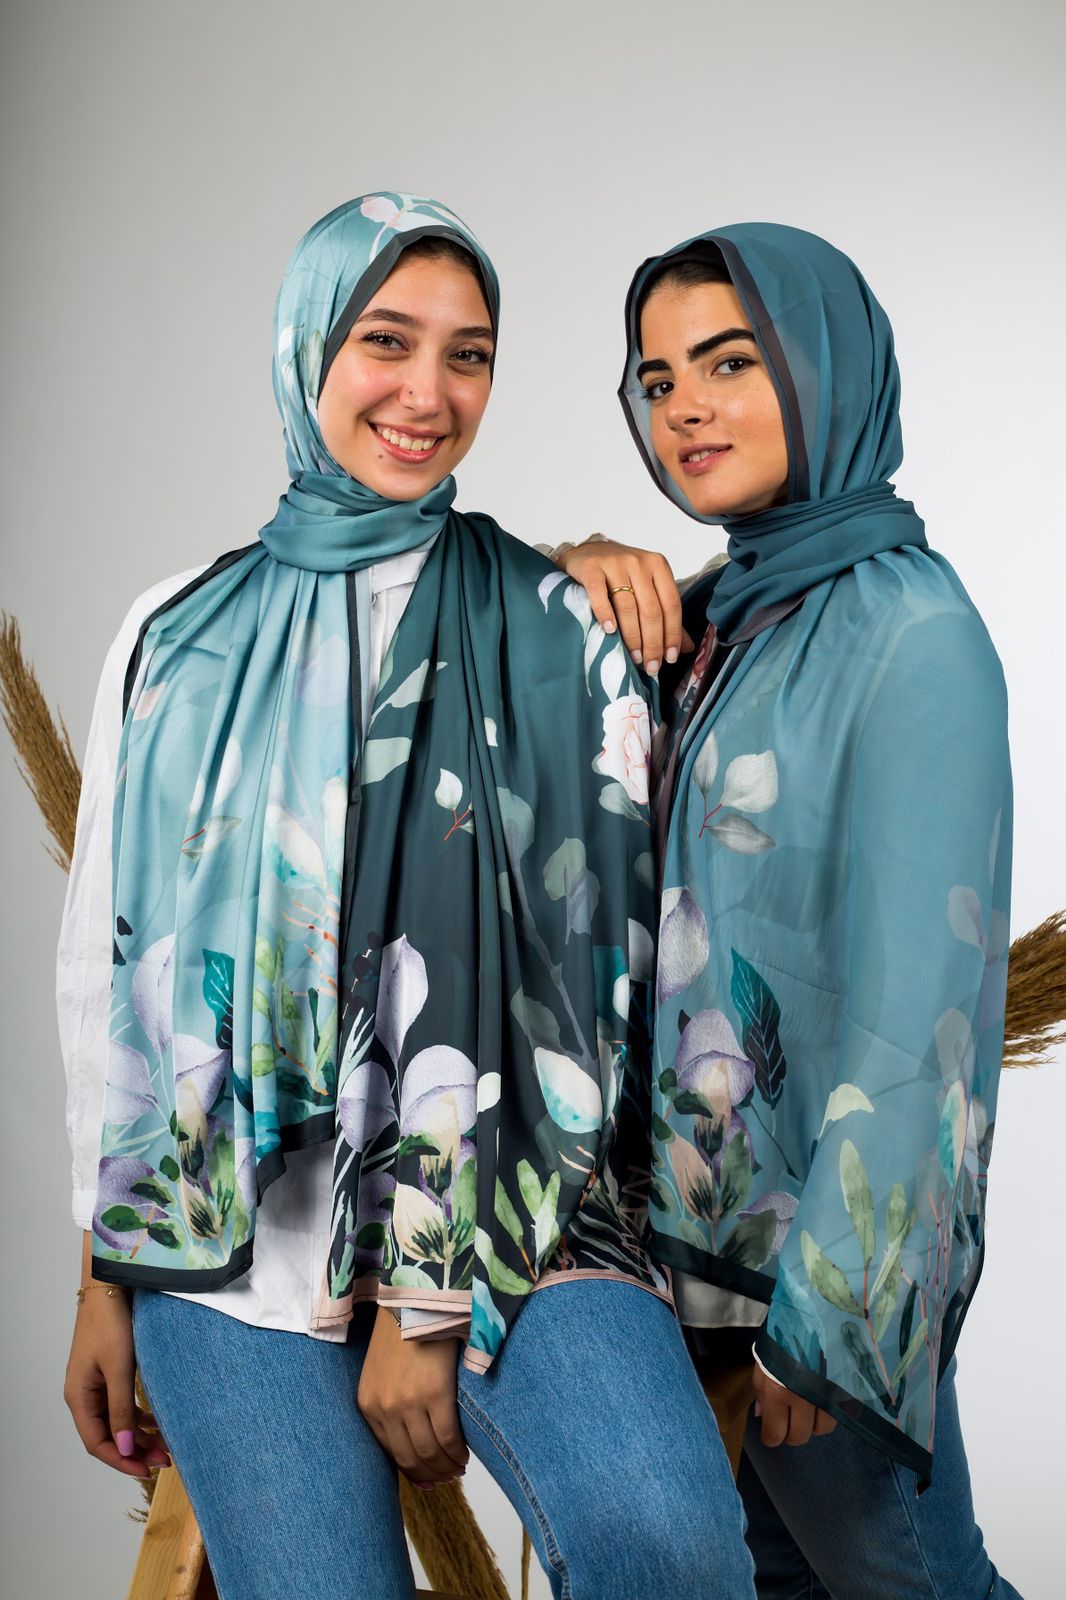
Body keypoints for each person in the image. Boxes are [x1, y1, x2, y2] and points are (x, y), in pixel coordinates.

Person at [57, 193, 758, 1600]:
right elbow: (110, 967)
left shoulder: (558, 624)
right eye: (386, 341)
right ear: (307, 344)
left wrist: (428, 1301)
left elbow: (584, 981)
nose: (427, 394)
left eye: (468, 355)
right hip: (235, 1228)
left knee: (669, 1547)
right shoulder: (173, 632)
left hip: (515, 1209)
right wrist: (102, 1276)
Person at [555, 224, 1020, 1598]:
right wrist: (566, 561)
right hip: (686, 1259)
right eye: (655, 381)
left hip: (804, 1287)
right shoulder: (714, 616)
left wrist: (832, 1314)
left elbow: (920, 1015)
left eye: (729, 362)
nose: (684, 408)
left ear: (827, 367)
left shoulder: (912, 633)